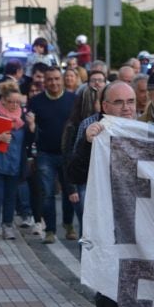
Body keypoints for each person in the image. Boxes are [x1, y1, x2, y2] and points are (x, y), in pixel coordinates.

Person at [67, 81, 154, 307]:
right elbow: (74, 173)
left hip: (146, 231)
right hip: (107, 227)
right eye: (118, 102)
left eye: (130, 101)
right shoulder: (95, 133)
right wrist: (87, 144)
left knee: (143, 294)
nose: (126, 108)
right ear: (104, 107)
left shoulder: (148, 132)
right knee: (108, 294)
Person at [0, 81, 36, 241]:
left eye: (18, 102)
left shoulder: (22, 119)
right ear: (3, 100)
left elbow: (30, 141)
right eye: (11, 101)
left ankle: (8, 226)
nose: (14, 105)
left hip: (15, 164)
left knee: (11, 196)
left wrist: (32, 127)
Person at [28, 66, 78, 244]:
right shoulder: (35, 101)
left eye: (57, 78)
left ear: (62, 79)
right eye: (50, 79)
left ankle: (68, 224)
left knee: (69, 193)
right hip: (45, 153)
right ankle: (50, 230)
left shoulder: (73, 99)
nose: (54, 82)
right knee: (47, 193)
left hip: (68, 154)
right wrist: (31, 127)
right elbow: (30, 131)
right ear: (44, 82)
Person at [62, 84, 100, 236]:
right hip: (83, 182)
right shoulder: (78, 125)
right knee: (86, 228)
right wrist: (71, 188)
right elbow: (69, 156)